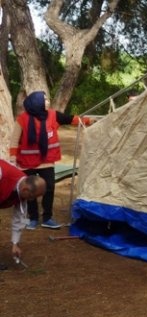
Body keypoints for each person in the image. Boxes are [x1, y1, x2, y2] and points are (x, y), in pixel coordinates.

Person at [9, 91, 91, 230]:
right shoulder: (22, 119)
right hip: (27, 162)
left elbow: (71, 119)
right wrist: (12, 159)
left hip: (46, 161)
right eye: (45, 100)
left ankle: (47, 218)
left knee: (49, 187)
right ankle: (33, 217)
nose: (48, 102)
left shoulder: (53, 115)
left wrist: (89, 121)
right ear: (36, 103)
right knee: (30, 190)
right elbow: (14, 140)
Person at [0, 159, 46, 270]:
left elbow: (19, 218)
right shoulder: (2, 173)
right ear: (25, 189)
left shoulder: (22, 191)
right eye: (31, 197)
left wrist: (15, 243)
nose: (31, 200)